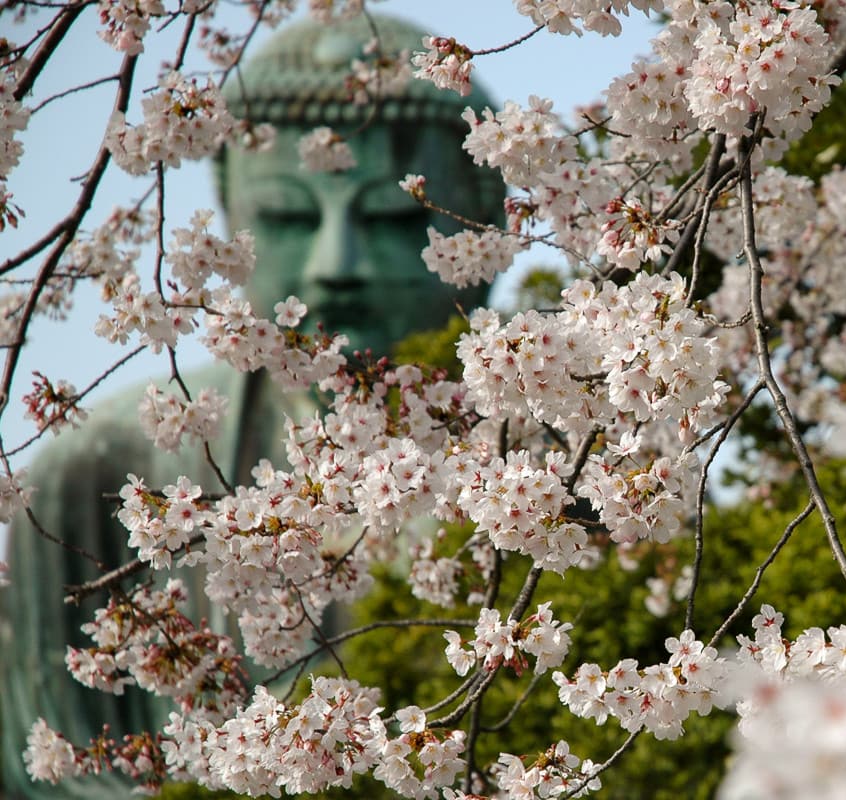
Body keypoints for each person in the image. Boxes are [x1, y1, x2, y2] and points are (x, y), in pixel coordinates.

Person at [0, 14, 503, 798]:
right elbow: (43, 773)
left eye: (395, 218)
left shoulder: (580, 464)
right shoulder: (105, 466)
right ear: (232, 223)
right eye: (292, 219)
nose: (338, 267)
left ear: (490, 233)